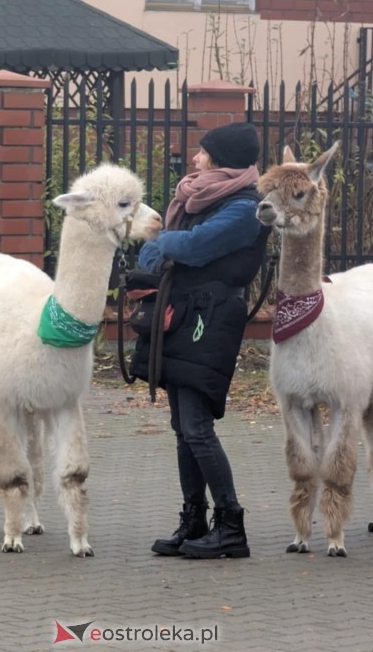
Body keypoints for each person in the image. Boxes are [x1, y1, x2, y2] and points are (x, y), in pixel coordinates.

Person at [130, 122, 270, 559]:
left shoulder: (245, 206)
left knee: (195, 426)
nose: (195, 159)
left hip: (209, 320)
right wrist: (166, 245)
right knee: (181, 428)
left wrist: (160, 242)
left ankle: (230, 525)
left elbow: (192, 247)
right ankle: (194, 519)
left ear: (222, 158)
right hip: (183, 313)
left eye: (203, 153)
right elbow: (171, 248)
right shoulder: (199, 196)